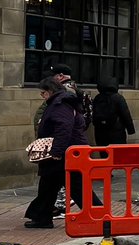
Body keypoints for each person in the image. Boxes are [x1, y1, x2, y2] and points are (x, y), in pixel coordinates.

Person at [25, 77, 97, 228]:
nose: (42, 96)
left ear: (50, 91)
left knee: (74, 186)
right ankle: (42, 217)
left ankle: (98, 214)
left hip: (64, 153)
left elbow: (63, 129)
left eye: (43, 92)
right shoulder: (61, 103)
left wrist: (57, 152)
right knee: (49, 185)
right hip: (67, 152)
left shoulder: (60, 105)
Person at [91, 77, 135, 146]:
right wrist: (131, 130)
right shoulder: (118, 98)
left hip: (100, 132)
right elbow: (125, 114)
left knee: (104, 153)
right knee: (117, 154)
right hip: (116, 131)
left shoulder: (97, 97)